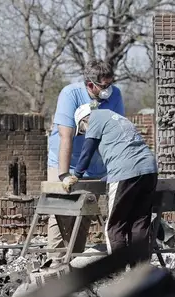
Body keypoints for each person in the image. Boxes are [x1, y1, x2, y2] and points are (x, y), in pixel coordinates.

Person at [46, 60, 125, 266]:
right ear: (90, 84)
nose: (108, 90)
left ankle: (74, 263)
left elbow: (115, 133)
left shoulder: (115, 95)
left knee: (85, 213)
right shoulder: (70, 94)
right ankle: (55, 262)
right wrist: (64, 175)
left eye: (110, 84)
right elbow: (66, 136)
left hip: (93, 163)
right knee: (61, 210)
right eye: (103, 86)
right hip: (65, 160)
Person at [61, 104, 158, 265]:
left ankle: (119, 274)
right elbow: (126, 148)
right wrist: (108, 176)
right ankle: (141, 274)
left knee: (114, 227)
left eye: (83, 130)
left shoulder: (95, 117)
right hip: (149, 169)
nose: (85, 133)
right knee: (139, 224)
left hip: (126, 172)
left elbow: (88, 150)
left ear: (84, 120)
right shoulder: (117, 118)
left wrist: (75, 175)